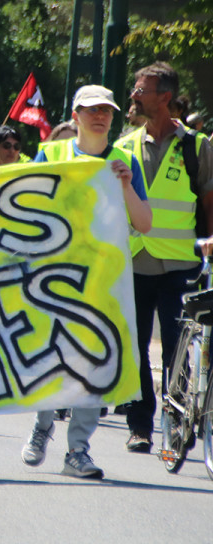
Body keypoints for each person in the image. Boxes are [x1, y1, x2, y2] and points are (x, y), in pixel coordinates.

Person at [21, 85, 152, 478]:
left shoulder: (125, 160)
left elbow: (144, 224)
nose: (101, 117)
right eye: (92, 110)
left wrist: (127, 185)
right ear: (75, 115)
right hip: (54, 280)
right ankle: (43, 425)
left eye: (107, 111)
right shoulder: (52, 153)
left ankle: (78, 449)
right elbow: (25, 208)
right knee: (54, 362)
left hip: (104, 284)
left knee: (96, 365)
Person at [116, 62, 213, 453]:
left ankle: (177, 422)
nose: (134, 96)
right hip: (134, 262)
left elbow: (208, 199)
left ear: (165, 97)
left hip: (180, 264)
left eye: (142, 90)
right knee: (134, 346)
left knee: (177, 348)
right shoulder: (123, 145)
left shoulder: (197, 146)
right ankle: (139, 426)